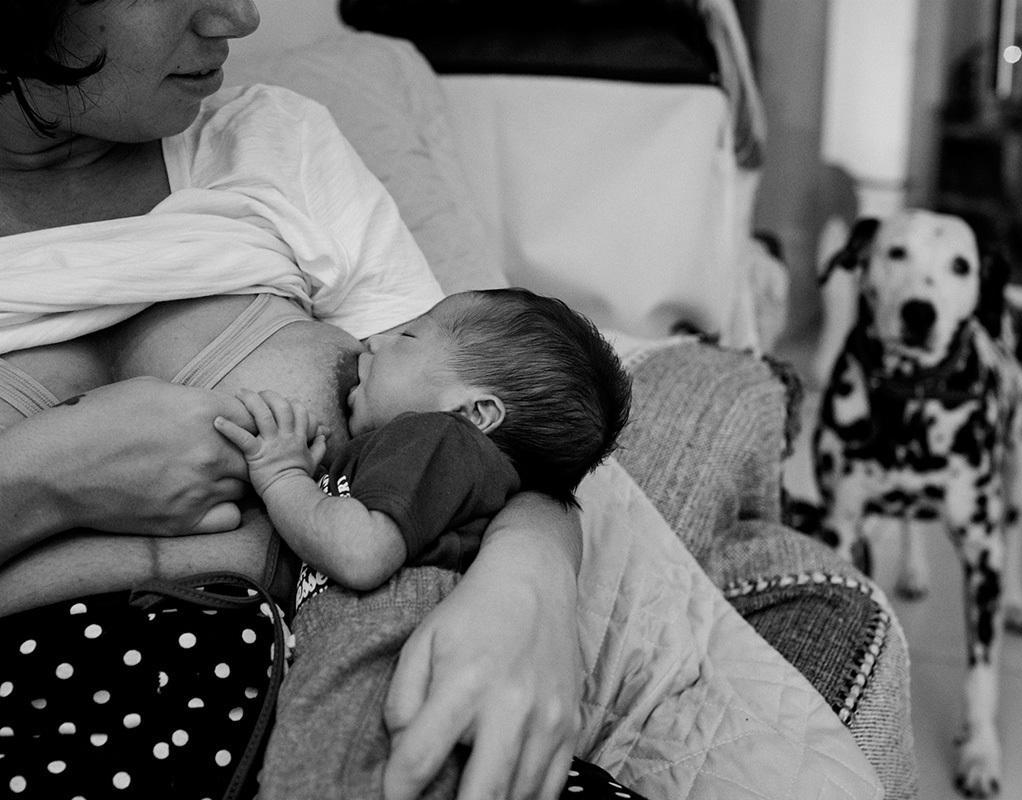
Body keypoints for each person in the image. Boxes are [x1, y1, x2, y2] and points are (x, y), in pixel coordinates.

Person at [0, 3, 589, 799]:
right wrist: (51, 473)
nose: (239, 18)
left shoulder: (273, 143)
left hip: (352, 718)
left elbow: (480, 420)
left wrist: (533, 581)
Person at [212, 287, 634, 798]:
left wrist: (283, 475)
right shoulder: (429, 465)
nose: (376, 340)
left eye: (409, 336)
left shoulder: (439, 438)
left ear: (475, 413)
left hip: (380, 649)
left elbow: (360, 554)